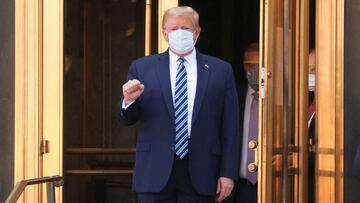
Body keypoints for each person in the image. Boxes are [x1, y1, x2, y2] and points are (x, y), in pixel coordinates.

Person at [117, 6, 240, 202]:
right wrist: (129, 100)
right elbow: (128, 118)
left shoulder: (220, 70)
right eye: (173, 29)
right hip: (154, 171)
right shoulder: (142, 68)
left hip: (202, 170)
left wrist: (227, 173)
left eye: (186, 28)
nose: (179, 33)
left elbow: (230, 127)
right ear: (165, 34)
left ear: (197, 33)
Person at [225, 43, 259, 203]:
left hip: (273, 185)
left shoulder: (282, 101)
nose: (254, 71)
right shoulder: (234, 97)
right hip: (239, 189)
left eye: (259, 65)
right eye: (250, 65)